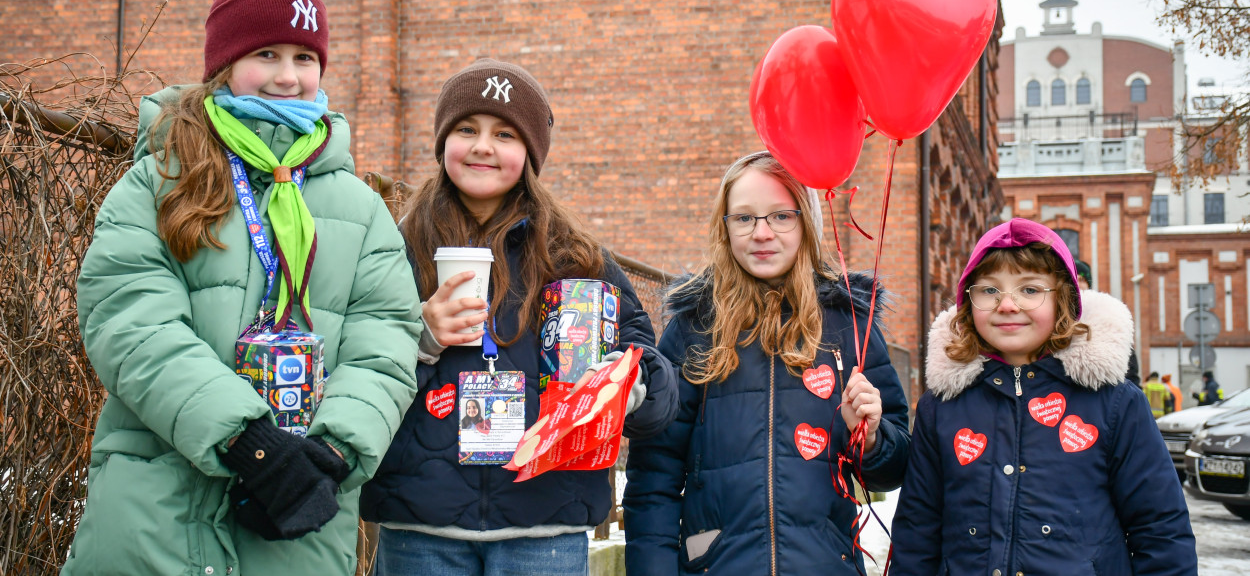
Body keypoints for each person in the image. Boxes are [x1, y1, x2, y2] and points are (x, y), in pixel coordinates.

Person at [62, 0, 423, 575]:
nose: (287, 77)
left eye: (304, 58)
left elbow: (386, 342)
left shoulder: (361, 209)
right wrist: (247, 442)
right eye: (267, 54)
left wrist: (329, 457)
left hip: (298, 525)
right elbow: (131, 323)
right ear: (224, 65)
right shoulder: (158, 182)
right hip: (155, 518)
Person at [360, 58, 677, 575]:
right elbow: (358, 358)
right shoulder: (399, 246)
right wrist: (421, 336)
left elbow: (649, 368)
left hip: (545, 524)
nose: (483, 146)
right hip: (420, 525)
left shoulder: (574, 254)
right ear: (443, 143)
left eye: (504, 134)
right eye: (467, 129)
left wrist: (628, 382)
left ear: (530, 153)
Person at [622, 152, 911, 575]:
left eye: (781, 216)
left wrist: (871, 440)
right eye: (744, 218)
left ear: (806, 224)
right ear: (724, 227)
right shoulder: (694, 326)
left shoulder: (848, 324)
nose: (762, 233)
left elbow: (896, 468)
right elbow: (653, 475)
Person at [891, 218, 1196, 575]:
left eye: (1030, 289)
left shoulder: (1115, 403)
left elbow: (1161, 528)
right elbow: (917, 530)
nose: (1007, 304)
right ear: (968, 302)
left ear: (1062, 299)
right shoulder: (942, 407)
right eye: (989, 290)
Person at [1073, 258, 1140, 386]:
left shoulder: (1106, 315)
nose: (1077, 284)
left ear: (1089, 284)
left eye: (1081, 280)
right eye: (1073, 279)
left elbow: (1129, 365)